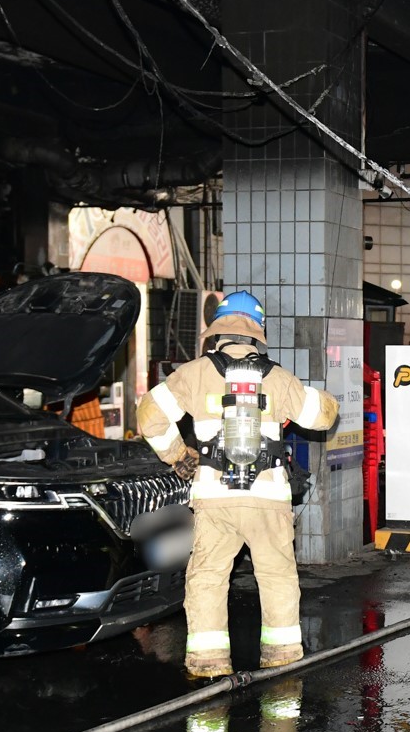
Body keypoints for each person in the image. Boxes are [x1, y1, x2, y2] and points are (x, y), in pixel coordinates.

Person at [134, 291, 340, 679]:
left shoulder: (193, 374)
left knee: (209, 578)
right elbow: (322, 416)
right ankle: (281, 657)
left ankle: (208, 662)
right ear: (256, 333)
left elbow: (149, 415)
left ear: (218, 332)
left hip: (214, 500)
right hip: (268, 499)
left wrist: (179, 455)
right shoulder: (277, 377)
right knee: (277, 576)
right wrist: (321, 396)